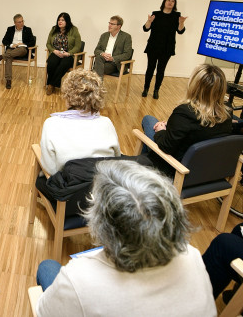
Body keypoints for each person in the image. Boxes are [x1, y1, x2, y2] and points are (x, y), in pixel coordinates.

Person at [36, 160, 216, 317]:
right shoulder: (191, 255)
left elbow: (41, 312)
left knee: (47, 268)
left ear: (101, 223)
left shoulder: (79, 278)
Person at [138, 64, 232, 176]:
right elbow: (200, 129)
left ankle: (143, 169)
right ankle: (145, 164)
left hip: (177, 169)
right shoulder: (227, 111)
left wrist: (161, 130)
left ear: (194, 85)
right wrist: (174, 125)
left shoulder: (184, 112)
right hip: (207, 171)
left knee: (148, 120)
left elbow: (166, 147)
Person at [40, 69, 120, 175]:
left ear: (67, 95)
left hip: (68, 186)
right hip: (102, 185)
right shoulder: (107, 123)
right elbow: (116, 157)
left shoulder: (51, 124)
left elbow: (50, 169)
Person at [142, 0, 188, 99]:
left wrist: (181, 23)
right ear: (164, 2)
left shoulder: (177, 16)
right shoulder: (156, 14)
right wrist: (149, 21)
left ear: (174, 4)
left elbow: (180, 31)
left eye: (173, 1)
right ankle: (145, 88)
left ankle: (156, 90)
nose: (170, 2)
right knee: (150, 68)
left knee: (161, 70)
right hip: (153, 46)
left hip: (167, 47)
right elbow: (145, 29)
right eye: (169, 0)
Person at [0, 14, 36, 89]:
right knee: (9, 58)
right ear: (15, 23)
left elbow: (32, 42)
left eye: (22, 21)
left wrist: (23, 44)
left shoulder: (28, 29)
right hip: (12, 49)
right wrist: (11, 44)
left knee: (14, 52)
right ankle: (8, 80)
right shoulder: (10, 29)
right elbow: (4, 40)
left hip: (22, 50)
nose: (22, 23)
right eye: (19, 22)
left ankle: (2, 56)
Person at [45, 12, 82, 95]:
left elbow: (78, 46)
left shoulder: (74, 30)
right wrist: (54, 51)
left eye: (62, 20)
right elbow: (48, 44)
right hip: (56, 52)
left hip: (69, 54)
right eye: (59, 20)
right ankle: (53, 84)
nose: (60, 22)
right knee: (51, 63)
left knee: (63, 64)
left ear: (67, 21)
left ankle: (51, 85)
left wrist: (69, 53)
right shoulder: (54, 29)